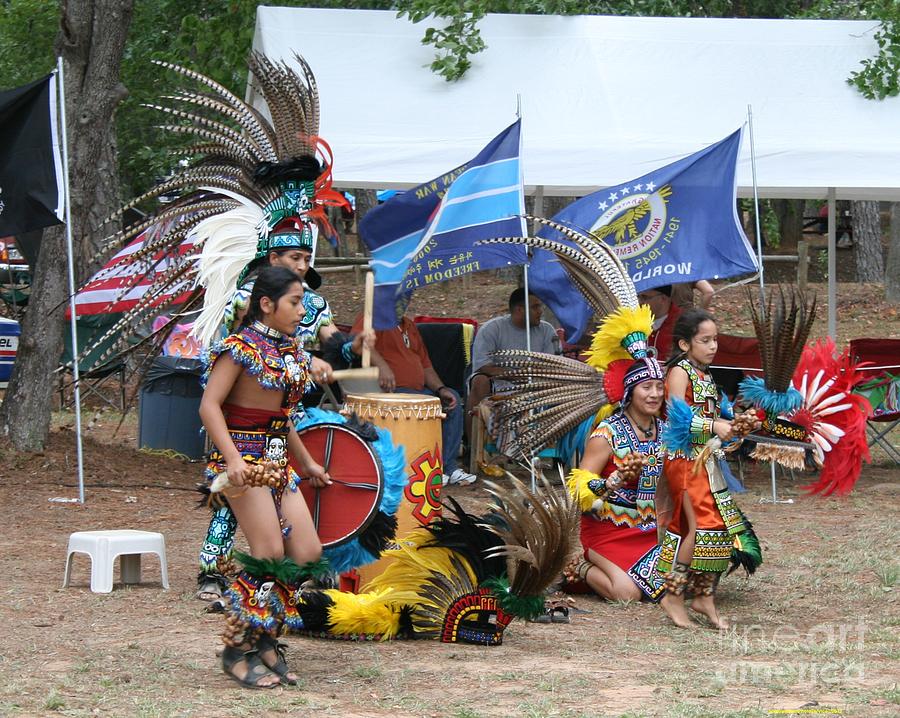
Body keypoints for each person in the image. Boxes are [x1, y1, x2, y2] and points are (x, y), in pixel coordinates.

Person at [200, 266, 332, 688]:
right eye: (295, 302)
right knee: (269, 552)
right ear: (266, 304)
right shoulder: (237, 348)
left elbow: (281, 417)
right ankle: (236, 648)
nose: (301, 310)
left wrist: (308, 463)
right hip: (242, 465)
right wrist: (234, 459)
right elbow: (209, 406)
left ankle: (266, 638)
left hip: (279, 464)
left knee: (307, 553)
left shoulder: (290, 349)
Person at [567, 357, 695, 627]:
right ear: (630, 391)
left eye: (659, 387)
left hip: (653, 530)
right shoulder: (607, 434)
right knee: (627, 594)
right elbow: (578, 487)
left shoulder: (667, 431)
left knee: (689, 574)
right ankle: (581, 567)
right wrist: (610, 482)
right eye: (646, 387)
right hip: (609, 530)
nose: (655, 394)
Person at [657, 308, 749, 630]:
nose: (712, 346)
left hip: (706, 460)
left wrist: (736, 424)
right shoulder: (680, 371)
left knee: (719, 527)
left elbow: (720, 413)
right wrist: (715, 425)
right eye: (705, 340)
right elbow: (676, 418)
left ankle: (703, 596)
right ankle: (673, 595)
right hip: (684, 460)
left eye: (715, 340)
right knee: (702, 527)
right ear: (685, 344)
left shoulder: (707, 375)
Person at [354, 313, 477, 486]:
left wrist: (441, 389)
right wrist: (382, 366)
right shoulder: (372, 317)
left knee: (452, 400)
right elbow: (358, 344)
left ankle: (448, 467)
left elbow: (425, 365)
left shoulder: (409, 325)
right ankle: (429, 469)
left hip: (419, 390)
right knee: (428, 401)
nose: (404, 300)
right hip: (388, 391)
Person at [465, 288, 561, 437]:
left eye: (540, 306)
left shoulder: (547, 331)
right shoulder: (492, 329)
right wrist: (514, 375)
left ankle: (554, 445)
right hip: (497, 384)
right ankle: (472, 445)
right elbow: (483, 365)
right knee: (479, 381)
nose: (540, 311)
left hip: (536, 384)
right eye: (535, 307)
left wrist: (532, 378)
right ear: (519, 310)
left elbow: (552, 366)